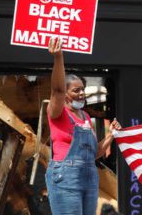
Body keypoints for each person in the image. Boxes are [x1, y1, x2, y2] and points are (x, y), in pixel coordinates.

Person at [45, 37, 121, 215]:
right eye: (75, 90)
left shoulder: (85, 116)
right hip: (66, 179)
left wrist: (111, 135)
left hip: (89, 178)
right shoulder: (58, 112)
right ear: (66, 95)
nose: (81, 94)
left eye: (82, 89)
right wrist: (58, 57)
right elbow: (57, 89)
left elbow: (93, 154)